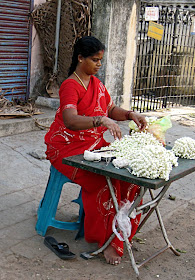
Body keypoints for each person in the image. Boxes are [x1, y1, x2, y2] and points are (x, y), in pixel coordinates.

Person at [44, 36, 147, 265]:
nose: (99, 64)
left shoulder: (96, 83)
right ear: (80, 58)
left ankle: (121, 230)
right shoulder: (70, 85)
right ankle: (106, 239)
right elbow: (70, 120)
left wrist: (131, 115)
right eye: (94, 60)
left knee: (128, 175)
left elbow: (109, 108)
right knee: (103, 181)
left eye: (101, 60)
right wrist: (100, 121)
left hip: (92, 145)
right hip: (67, 148)